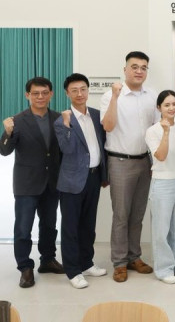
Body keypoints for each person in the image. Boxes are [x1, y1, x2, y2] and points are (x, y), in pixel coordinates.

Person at [100, 51, 158, 282]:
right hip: (120, 162)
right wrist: (115, 97)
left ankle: (134, 256)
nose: (139, 71)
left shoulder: (151, 96)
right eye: (134, 67)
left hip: (144, 161)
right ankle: (119, 262)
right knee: (121, 215)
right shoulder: (110, 95)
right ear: (125, 69)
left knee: (137, 214)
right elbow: (108, 126)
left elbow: (157, 128)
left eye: (143, 67)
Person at [1, 77, 64, 287]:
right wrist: (7, 132)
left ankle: (47, 260)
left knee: (49, 225)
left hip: (52, 182)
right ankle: (25, 267)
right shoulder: (17, 120)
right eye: (35, 93)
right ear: (27, 95)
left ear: (51, 94)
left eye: (44, 93)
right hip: (26, 184)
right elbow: (4, 150)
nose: (40, 97)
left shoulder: (58, 118)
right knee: (23, 228)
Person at [54, 74, 108, 289]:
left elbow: (102, 145)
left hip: (93, 177)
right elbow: (66, 149)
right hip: (71, 181)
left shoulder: (96, 115)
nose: (79, 94)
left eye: (83, 89)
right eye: (74, 90)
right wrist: (67, 124)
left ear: (88, 90)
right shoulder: (62, 120)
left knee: (88, 225)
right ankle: (73, 271)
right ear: (67, 93)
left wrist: (104, 175)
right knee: (71, 228)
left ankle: (87, 263)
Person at [145, 90, 175, 284]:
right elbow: (160, 156)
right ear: (159, 108)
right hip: (162, 183)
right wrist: (166, 132)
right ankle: (163, 269)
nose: (171, 108)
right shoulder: (153, 131)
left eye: (174, 104)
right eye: (167, 105)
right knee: (162, 229)